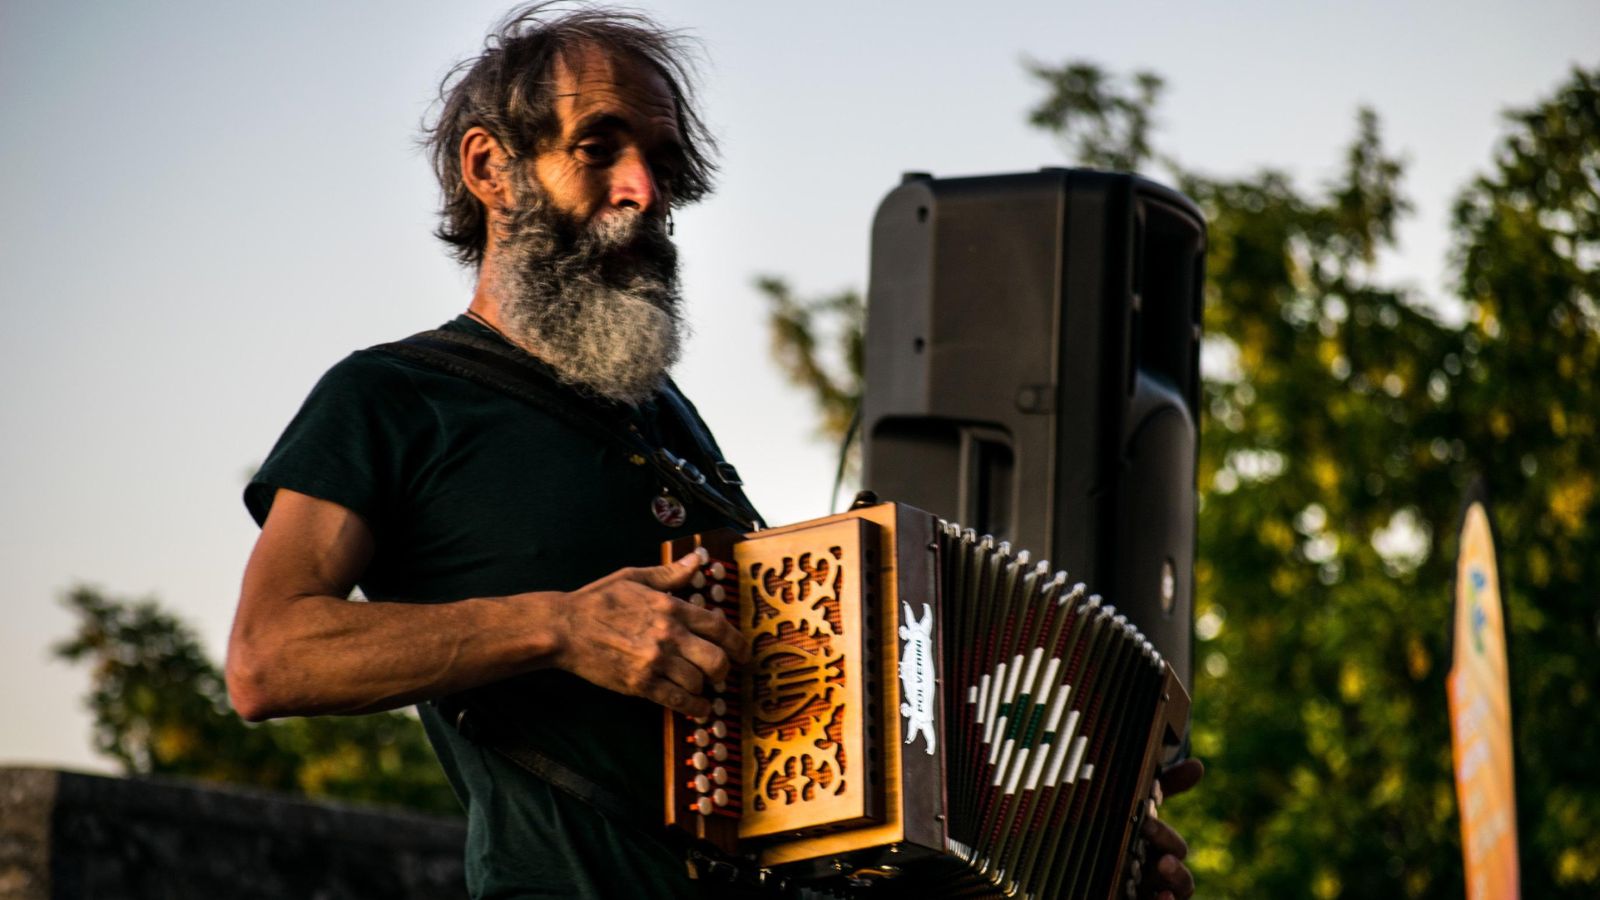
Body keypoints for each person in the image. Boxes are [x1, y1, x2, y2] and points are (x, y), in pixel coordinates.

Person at [225, 5, 1199, 899]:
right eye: (597, 148)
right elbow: (267, 658)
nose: (642, 190)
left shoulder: (667, 417)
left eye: (658, 161)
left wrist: (1089, 828)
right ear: (489, 168)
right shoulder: (390, 398)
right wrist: (559, 626)